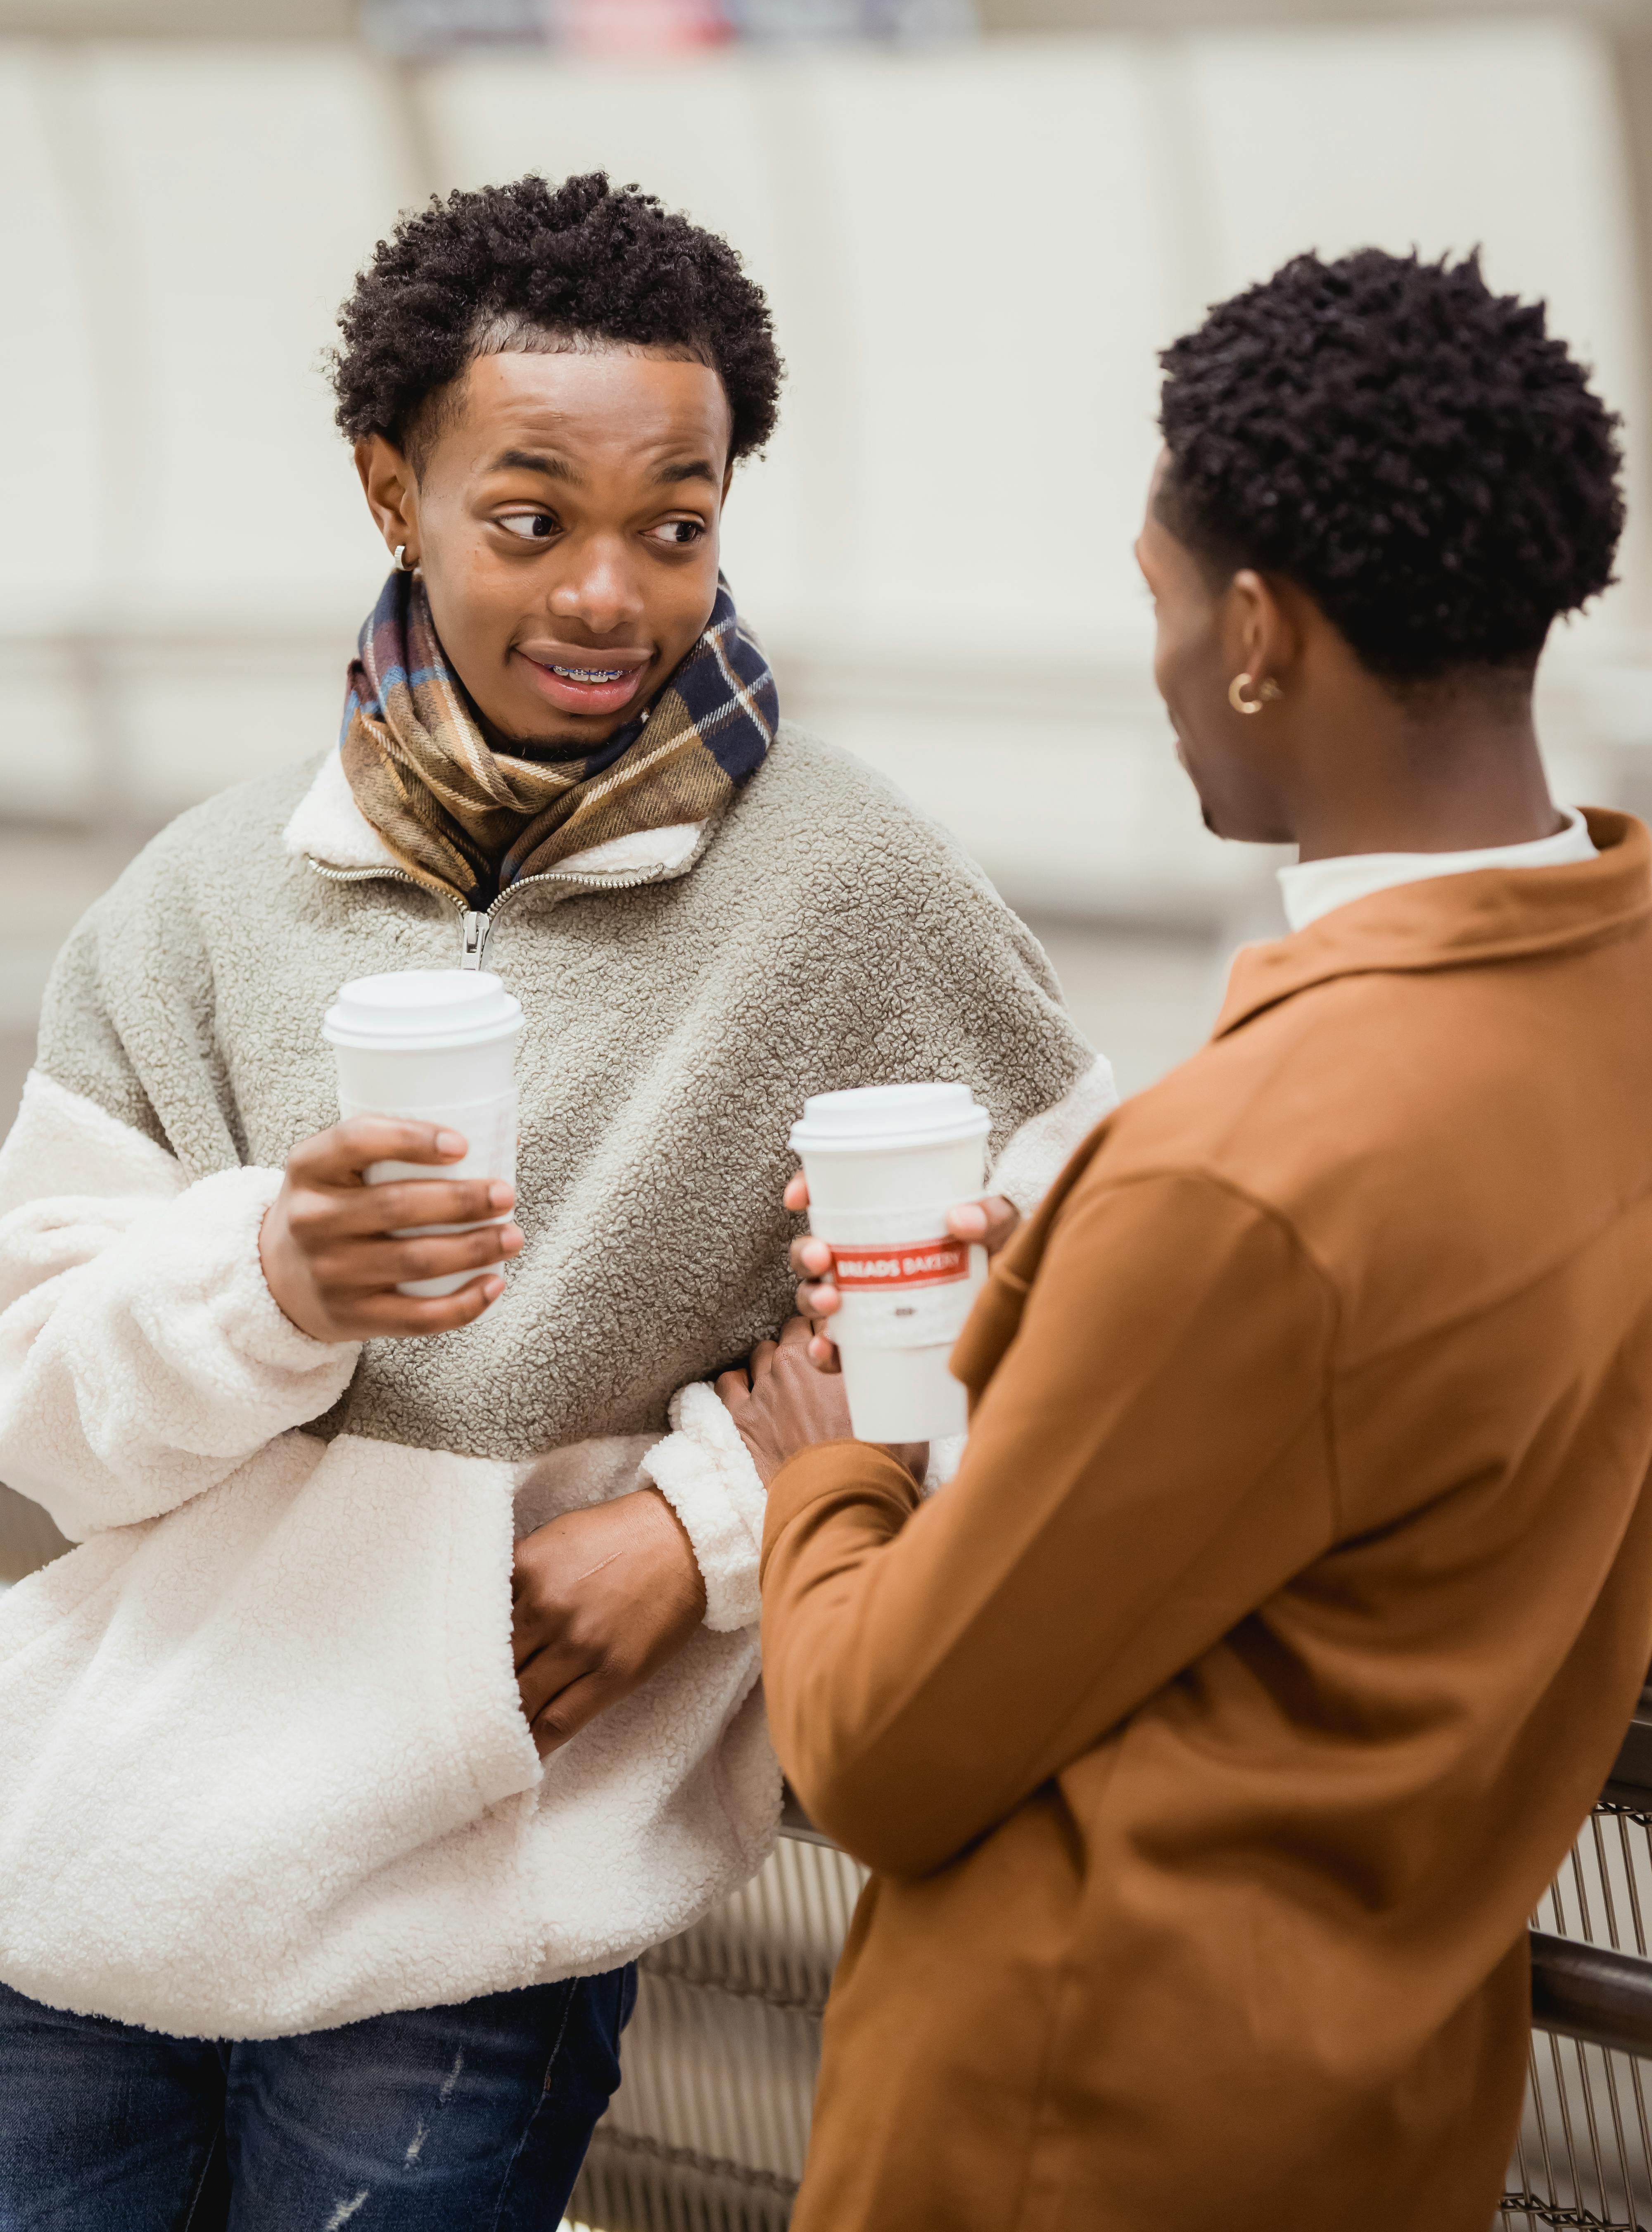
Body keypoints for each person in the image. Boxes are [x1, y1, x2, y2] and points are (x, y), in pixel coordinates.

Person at [0, 170, 1109, 2227]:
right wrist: (270, 1278)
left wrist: (701, 1540)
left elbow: (1063, 1288)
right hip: (71, 1898)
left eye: (674, 527)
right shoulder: (199, 900)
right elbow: (43, 1423)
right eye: (532, 521)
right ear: (389, 490)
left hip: (462, 1929)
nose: (612, 594)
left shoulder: (852, 889)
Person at [721, 247, 1652, 2232]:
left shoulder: (1243, 1171)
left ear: (1254, 632)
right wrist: (1057, 1313)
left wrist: (828, 1473)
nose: (1152, 667)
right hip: (1384, 2116)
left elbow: (881, 1753)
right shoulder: (1611, 1004)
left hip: (1074, 2129)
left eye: (1157, 602)